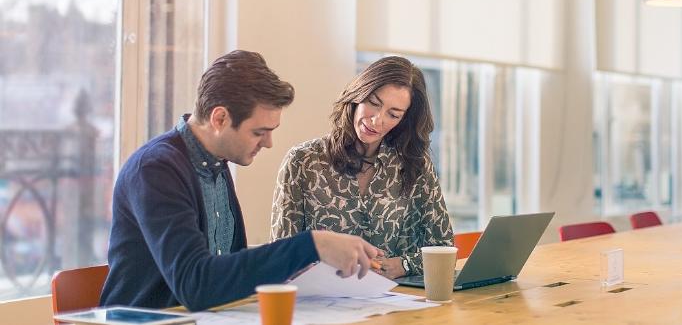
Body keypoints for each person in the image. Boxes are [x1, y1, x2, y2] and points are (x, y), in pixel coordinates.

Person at [100, 50, 380, 311]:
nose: (269, 143)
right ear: (220, 118)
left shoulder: (216, 164)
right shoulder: (156, 170)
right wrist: (312, 245)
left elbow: (227, 270)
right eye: (259, 132)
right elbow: (196, 285)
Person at [271, 56, 453, 279]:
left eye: (393, 114)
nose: (377, 120)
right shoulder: (302, 161)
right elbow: (281, 254)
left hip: (397, 304)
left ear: (404, 119)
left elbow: (443, 248)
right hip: (321, 302)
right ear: (358, 94)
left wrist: (403, 265)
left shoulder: (415, 164)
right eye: (373, 104)